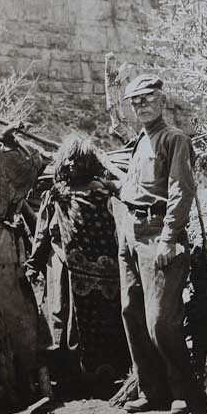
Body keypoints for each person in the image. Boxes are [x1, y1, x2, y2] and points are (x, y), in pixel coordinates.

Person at [25, 133, 130, 390]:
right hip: (66, 268)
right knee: (64, 317)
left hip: (94, 273)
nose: (72, 165)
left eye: (78, 160)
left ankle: (91, 375)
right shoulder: (60, 196)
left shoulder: (102, 194)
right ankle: (71, 375)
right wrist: (34, 264)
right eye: (69, 160)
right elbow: (42, 234)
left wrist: (33, 264)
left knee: (78, 319)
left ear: (88, 163)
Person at [118, 73, 196, 414]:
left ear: (162, 100)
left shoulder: (173, 138)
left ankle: (183, 390)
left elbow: (181, 191)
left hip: (158, 232)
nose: (141, 105)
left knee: (161, 320)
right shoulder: (140, 141)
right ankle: (151, 391)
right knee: (132, 312)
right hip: (131, 231)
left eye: (147, 99)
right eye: (135, 101)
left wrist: (168, 239)